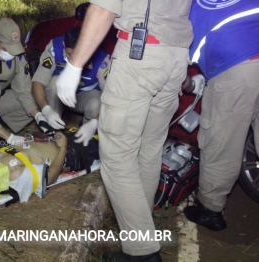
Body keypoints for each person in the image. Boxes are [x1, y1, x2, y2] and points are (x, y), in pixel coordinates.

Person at [56, 1, 193, 261]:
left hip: (140, 55)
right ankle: (142, 223)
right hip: (176, 57)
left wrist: (74, 66)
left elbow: (102, 8)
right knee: (149, 148)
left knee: (117, 157)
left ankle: (142, 252)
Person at [183, 1, 259, 231]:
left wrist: (190, 83)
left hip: (235, 70)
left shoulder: (193, 5)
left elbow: (183, 53)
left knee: (221, 141)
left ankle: (210, 209)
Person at [32, 26, 110, 146]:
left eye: (79, 55)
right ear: (64, 44)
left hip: (84, 96)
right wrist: (46, 110)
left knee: (96, 103)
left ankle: (85, 141)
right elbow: (38, 81)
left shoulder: (101, 59)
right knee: (54, 82)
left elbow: (112, 97)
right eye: (69, 54)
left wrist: (96, 121)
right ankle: (53, 133)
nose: (73, 59)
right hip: (58, 96)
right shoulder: (54, 48)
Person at [0, 131, 99, 202]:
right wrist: (63, 147)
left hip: (58, 140)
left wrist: (41, 138)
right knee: (110, 140)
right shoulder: (14, 174)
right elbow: (50, 178)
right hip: (72, 153)